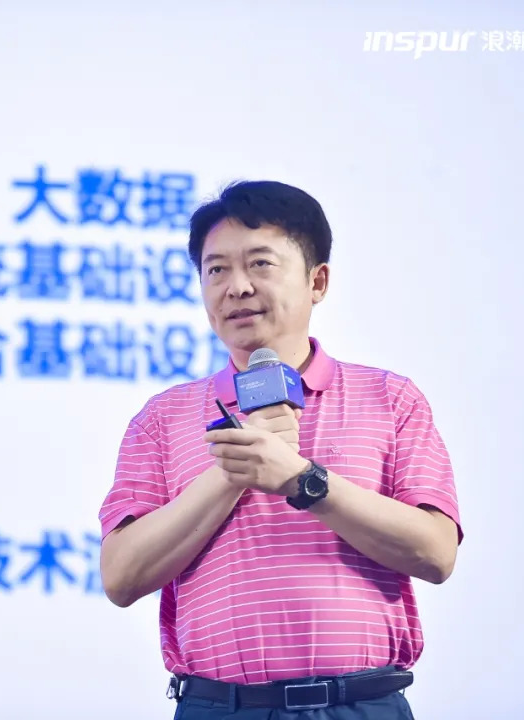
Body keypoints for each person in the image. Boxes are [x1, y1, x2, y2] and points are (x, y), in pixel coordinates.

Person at [98, 180, 462, 719]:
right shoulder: (162, 419)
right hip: (221, 707)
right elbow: (121, 576)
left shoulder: (389, 399)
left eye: (260, 264)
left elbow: (435, 553)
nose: (237, 287)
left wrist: (301, 480)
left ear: (318, 281)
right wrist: (234, 470)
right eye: (216, 270)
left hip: (359, 704)